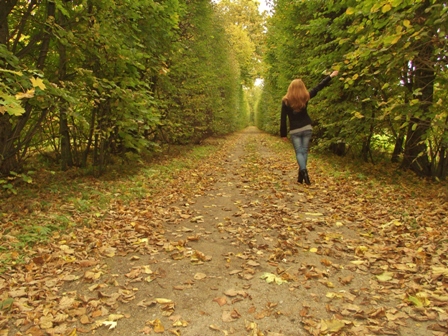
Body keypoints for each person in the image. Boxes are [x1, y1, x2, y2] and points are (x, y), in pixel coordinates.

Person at [280, 70, 339, 185]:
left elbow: (283, 118)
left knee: (299, 152)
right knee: (304, 151)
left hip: (295, 130)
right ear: (302, 87)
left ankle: (304, 171)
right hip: (307, 128)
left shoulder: (286, 101)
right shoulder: (305, 97)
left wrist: (283, 134)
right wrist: (330, 76)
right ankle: (300, 176)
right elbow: (318, 87)